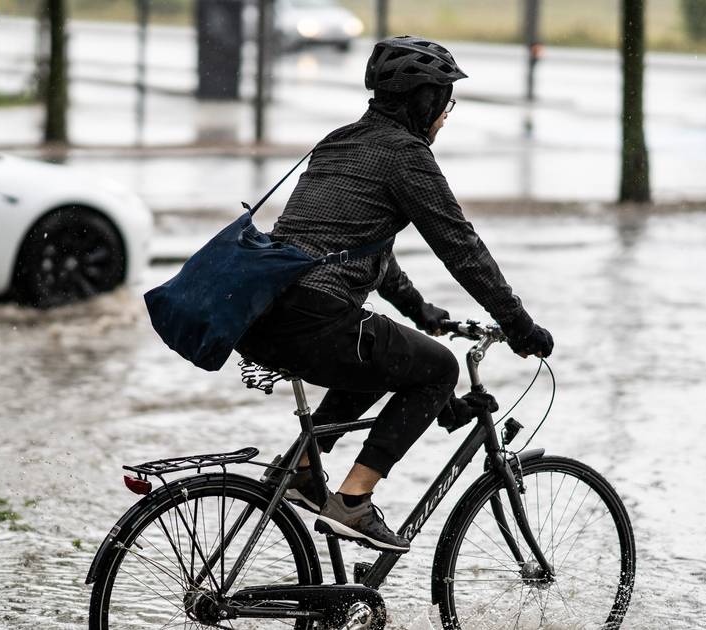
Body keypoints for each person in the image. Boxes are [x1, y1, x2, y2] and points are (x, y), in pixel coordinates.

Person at [236, 36, 554, 553]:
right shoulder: (405, 155)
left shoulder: (339, 140)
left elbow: (355, 245)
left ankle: (299, 468)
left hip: (267, 313)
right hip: (313, 314)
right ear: (423, 100)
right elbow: (462, 248)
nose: (446, 116)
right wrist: (518, 324)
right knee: (439, 369)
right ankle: (353, 503)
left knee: (379, 361)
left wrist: (418, 310)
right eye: (445, 102)